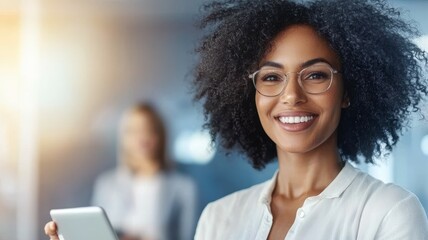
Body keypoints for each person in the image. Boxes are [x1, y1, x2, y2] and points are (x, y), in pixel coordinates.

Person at [192, 0, 428, 239]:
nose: (292, 95)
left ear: (346, 91)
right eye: (272, 77)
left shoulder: (389, 212)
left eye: (316, 75)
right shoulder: (218, 219)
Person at [45, 103, 197, 240]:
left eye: (147, 129)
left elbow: (188, 237)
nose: (141, 136)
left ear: (159, 135)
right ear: (124, 138)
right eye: (133, 131)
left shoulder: (183, 188)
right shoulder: (107, 184)